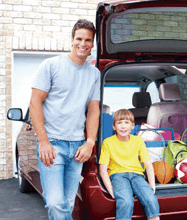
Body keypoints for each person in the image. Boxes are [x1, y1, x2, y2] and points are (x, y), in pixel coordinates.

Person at [29, 19, 100, 220]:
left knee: (68, 204)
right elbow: (35, 103)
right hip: (53, 145)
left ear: (92, 44)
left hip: (77, 147)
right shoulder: (51, 65)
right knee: (54, 202)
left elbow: (93, 110)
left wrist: (89, 142)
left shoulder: (94, 74)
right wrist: (43, 142)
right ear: (71, 39)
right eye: (79, 38)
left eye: (88, 40)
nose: (83, 44)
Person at [99, 109, 160, 220]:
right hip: (118, 175)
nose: (123, 126)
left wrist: (152, 185)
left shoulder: (138, 141)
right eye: (119, 123)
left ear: (132, 125)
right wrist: (110, 189)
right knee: (126, 201)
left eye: (126, 123)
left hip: (137, 175)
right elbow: (102, 169)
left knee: (151, 198)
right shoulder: (107, 142)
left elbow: (148, 165)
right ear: (114, 126)